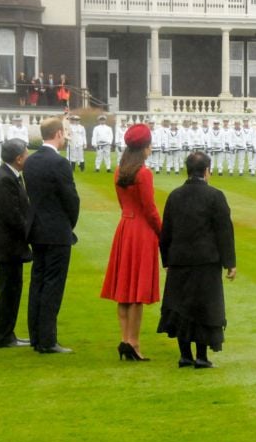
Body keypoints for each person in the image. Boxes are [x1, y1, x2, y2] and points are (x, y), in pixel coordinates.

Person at [157, 152, 236, 369]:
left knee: (181, 306)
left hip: (180, 260)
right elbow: (224, 232)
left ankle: (185, 355)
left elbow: (166, 232)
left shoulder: (175, 196)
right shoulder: (215, 196)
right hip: (206, 260)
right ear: (207, 170)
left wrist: (167, 259)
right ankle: (201, 356)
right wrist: (230, 263)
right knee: (204, 308)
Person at [101, 124, 161, 362]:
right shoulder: (143, 173)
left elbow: (122, 202)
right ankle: (134, 342)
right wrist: (162, 232)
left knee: (124, 290)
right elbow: (150, 209)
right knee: (137, 291)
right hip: (141, 231)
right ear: (145, 147)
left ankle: (125, 338)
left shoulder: (119, 171)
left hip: (125, 226)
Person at [24, 117, 80, 354]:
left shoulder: (30, 161)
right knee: (52, 285)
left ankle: (36, 336)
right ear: (58, 133)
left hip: (36, 229)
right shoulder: (60, 163)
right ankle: (47, 339)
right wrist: (69, 224)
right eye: (64, 132)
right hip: (56, 230)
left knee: (38, 281)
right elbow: (71, 199)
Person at [0, 139, 32, 348]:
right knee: (8, 290)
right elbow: (12, 215)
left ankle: (7, 333)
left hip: (9, 243)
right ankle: (3, 335)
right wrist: (31, 234)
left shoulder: (10, 176)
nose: (28, 158)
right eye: (26, 154)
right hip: (6, 244)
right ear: (19, 158)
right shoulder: (4, 179)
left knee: (12, 289)